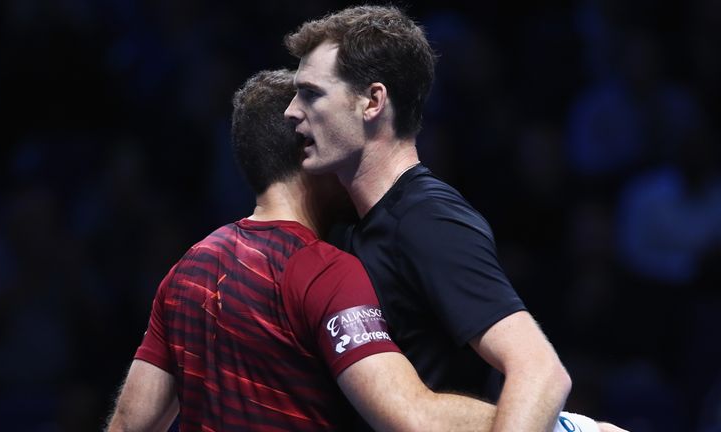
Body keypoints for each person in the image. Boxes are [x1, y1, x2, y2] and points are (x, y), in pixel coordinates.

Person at [284, 5, 626, 432]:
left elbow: (540, 371)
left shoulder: (427, 218)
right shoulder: (349, 227)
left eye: (312, 93)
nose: (292, 111)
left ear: (372, 102)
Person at [105, 68, 504, 432]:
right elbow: (413, 415)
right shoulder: (325, 271)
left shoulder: (187, 270)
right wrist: (544, 419)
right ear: (307, 149)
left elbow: (127, 425)